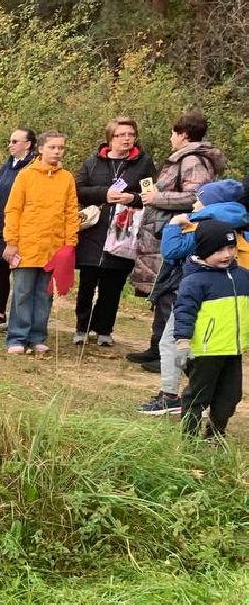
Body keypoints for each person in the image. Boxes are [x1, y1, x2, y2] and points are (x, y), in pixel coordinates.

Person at [130, 110, 228, 376]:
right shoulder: (183, 158)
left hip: (177, 234)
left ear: (183, 134)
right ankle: (156, 347)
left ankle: (168, 354)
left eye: (173, 133)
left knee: (171, 292)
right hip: (163, 232)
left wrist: (157, 199)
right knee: (161, 291)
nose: (170, 138)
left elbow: (196, 196)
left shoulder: (193, 160)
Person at [140, 179, 248, 415]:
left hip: (197, 293)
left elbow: (171, 252)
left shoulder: (204, 226)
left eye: (200, 200)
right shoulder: (240, 224)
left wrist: (173, 226)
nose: (195, 204)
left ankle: (170, 395)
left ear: (213, 204)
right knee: (218, 353)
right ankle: (209, 396)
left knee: (172, 342)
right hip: (229, 299)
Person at [71, 119, 155, 347]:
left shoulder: (144, 163)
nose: (127, 139)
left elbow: (151, 194)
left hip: (123, 234)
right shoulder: (93, 162)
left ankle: (104, 329)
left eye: (131, 134)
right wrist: (104, 193)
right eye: (121, 135)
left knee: (113, 286)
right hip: (94, 232)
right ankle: (81, 327)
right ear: (110, 138)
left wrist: (133, 198)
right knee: (87, 284)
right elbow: (78, 190)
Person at [1, 130, 79, 355]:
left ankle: (37, 336)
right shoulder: (26, 176)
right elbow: (13, 210)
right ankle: (17, 337)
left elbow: (71, 212)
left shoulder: (67, 178)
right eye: (53, 147)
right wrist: (11, 241)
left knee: (45, 295)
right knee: (22, 293)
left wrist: (69, 244)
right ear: (41, 149)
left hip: (53, 248)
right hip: (26, 246)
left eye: (61, 148)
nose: (57, 151)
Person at [172, 218, 249, 437]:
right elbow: (184, 312)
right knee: (199, 395)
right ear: (204, 251)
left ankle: (215, 435)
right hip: (206, 351)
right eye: (219, 250)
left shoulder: (243, 276)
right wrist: (183, 342)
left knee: (230, 396)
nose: (227, 254)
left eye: (231, 248)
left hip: (233, 349)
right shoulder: (195, 281)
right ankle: (189, 438)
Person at [0, 128, 36, 331]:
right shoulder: (7, 166)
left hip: (21, 229)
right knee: (1, 272)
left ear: (27, 144)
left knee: (22, 277)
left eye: (15, 141)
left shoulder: (32, 168)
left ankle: (21, 319)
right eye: (10, 141)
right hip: (0, 227)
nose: (10, 145)